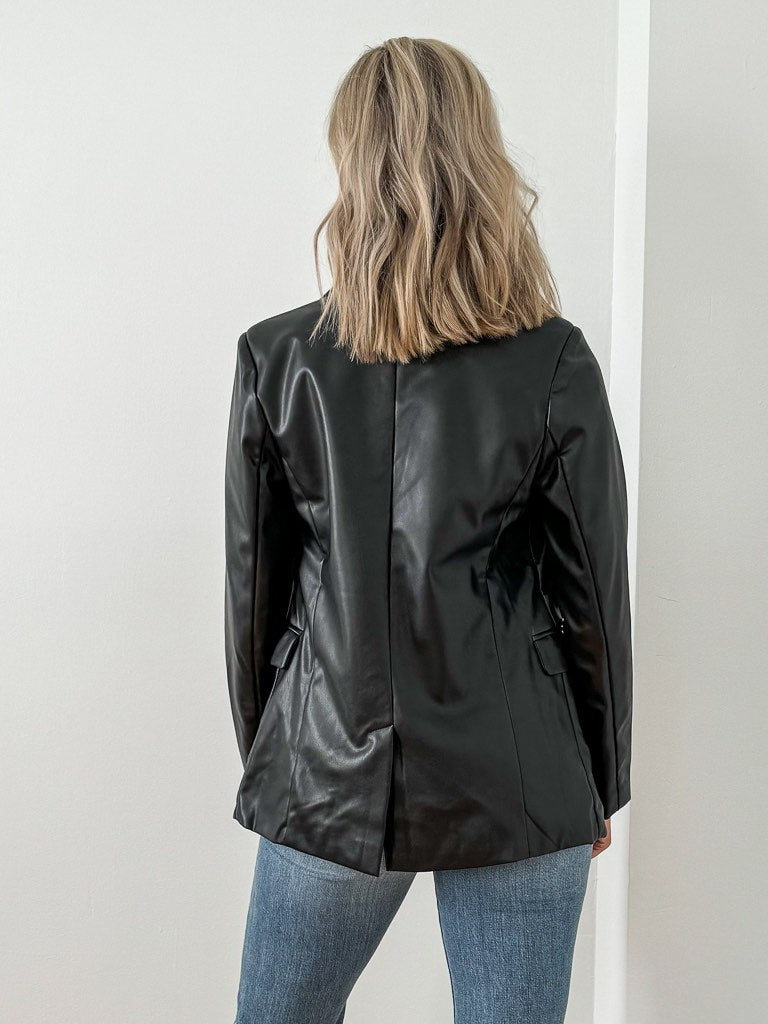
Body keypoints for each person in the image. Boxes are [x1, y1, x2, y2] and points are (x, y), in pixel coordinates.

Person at [224, 36, 632, 1024]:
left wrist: (281, 762)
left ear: (351, 163)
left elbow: (255, 596)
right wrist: (601, 779)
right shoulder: (552, 360)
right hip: (520, 775)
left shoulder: (280, 358)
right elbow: (593, 596)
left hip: (328, 766)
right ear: (481, 162)